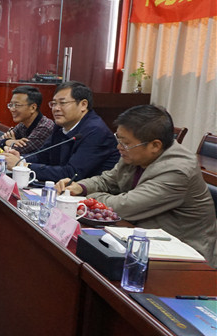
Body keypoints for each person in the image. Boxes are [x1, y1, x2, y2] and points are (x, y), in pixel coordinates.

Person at [57, 105, 217, 267]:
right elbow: (107, 180)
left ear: (155, 145)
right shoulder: (135, 153)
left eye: (125, 143)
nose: (119, 147)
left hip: (184, 256)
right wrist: (79, 187)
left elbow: (124, 206)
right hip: (140, 237)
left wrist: (86, 199)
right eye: (119, 139)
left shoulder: (178, 170)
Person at [3, 81, 119, 181]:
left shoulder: (96, 132)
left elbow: (71, 173)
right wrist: (20, 158)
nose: (56, 108)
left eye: (62, 103)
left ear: (83, 105)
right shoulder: (61, 125)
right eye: (54, 104)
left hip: (90, 194)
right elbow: (42, 155)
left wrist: (22, 165)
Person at [0, 85, 54, 155]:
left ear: (33, 108)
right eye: (11, 105)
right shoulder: (23, 124)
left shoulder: (44, 127)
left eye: (17, 105)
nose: (12, 109)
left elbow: (18, 151)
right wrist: (8, 141)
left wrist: (7, 143)